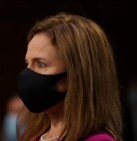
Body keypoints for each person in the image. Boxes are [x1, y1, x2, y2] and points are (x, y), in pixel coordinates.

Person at [17, 13, 122, 141]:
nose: (27, 74)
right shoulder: (32, 138)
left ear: (74, 75)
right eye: (28, 63)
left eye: (40, 64)